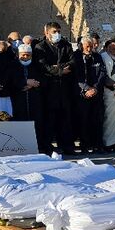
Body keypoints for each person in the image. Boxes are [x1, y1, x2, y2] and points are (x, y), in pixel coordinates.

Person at [32, 21, 76, 154]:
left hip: (64, 89)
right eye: (54, 32)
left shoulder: (65, 45)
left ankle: (67, 146)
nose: (57, 34)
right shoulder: (40, 47)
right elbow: (43, 67)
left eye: (58, 31)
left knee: (65, 118)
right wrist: (60, 70)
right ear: (46, 33)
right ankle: (47, 147)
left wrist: (58, 67)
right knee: (49, 119)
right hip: (48, 89)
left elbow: (73, 62)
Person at [9, 43, 47, 151]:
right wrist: (24, 82)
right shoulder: (13, 65)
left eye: (28, 55)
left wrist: (32, 85)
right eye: (23, 55)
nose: (25, 57)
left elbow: (44, 80)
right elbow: (10, 82)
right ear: (18, 55)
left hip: (35, 99)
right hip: (18, 100)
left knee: (37, 125)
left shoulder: (37, 66)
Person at [73, 37, 106, 153]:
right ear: (81, 46)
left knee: (97, 119)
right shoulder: (76, 57)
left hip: (96, 94)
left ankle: (98, 144)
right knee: (84, 120)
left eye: (91, 46)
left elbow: (102, 73)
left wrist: (95, 88)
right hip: (83, 94)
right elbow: (76, 76)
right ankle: (85, 145)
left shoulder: (97, 56)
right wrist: (86, 89)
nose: (89, 48)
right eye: (87, 46)